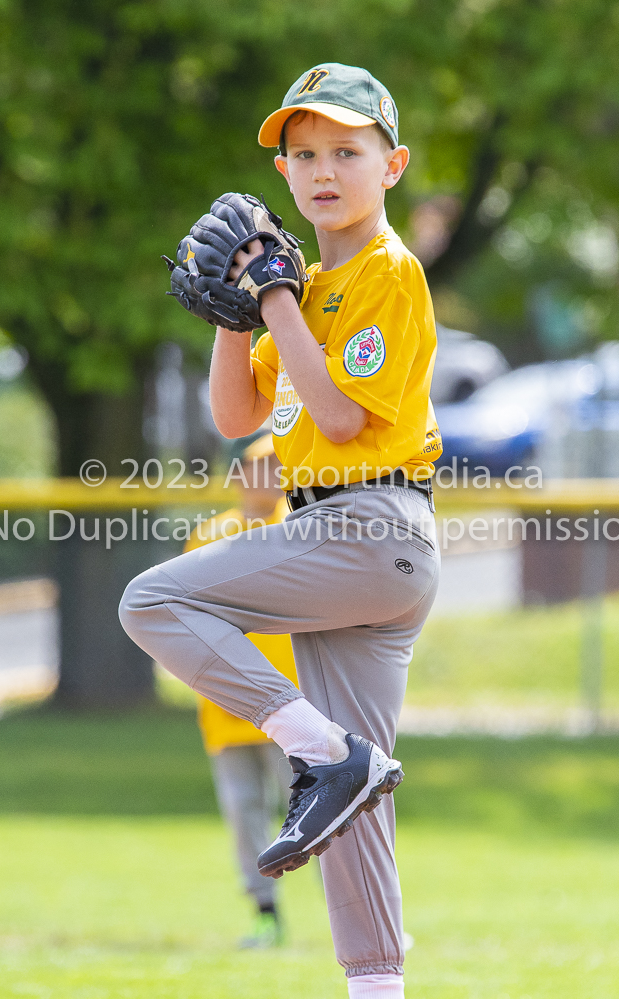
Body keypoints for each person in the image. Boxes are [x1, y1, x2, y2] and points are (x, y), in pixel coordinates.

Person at [120, 62, 442, 999]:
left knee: (155, 597)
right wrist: (233, 310)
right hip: (346, 550)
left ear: (394, 166)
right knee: (351, 815)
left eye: (348, 150)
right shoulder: (296, 288)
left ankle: (324, 752)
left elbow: (341, 421)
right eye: (303, 154)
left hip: (367, 524)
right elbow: (232, 414)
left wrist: (273, 300)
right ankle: (376, 984)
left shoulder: (386, 271)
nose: (321, 170)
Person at [186, 431, 296, 949]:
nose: (273, 474)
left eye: (281, 465)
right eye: (262, 465)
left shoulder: (298, 531)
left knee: (318, 814)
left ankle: (357, 917)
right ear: (239, 475)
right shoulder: (209, 537)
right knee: (245, 811)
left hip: (292, 703)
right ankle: (265, 915)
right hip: (226, 701)